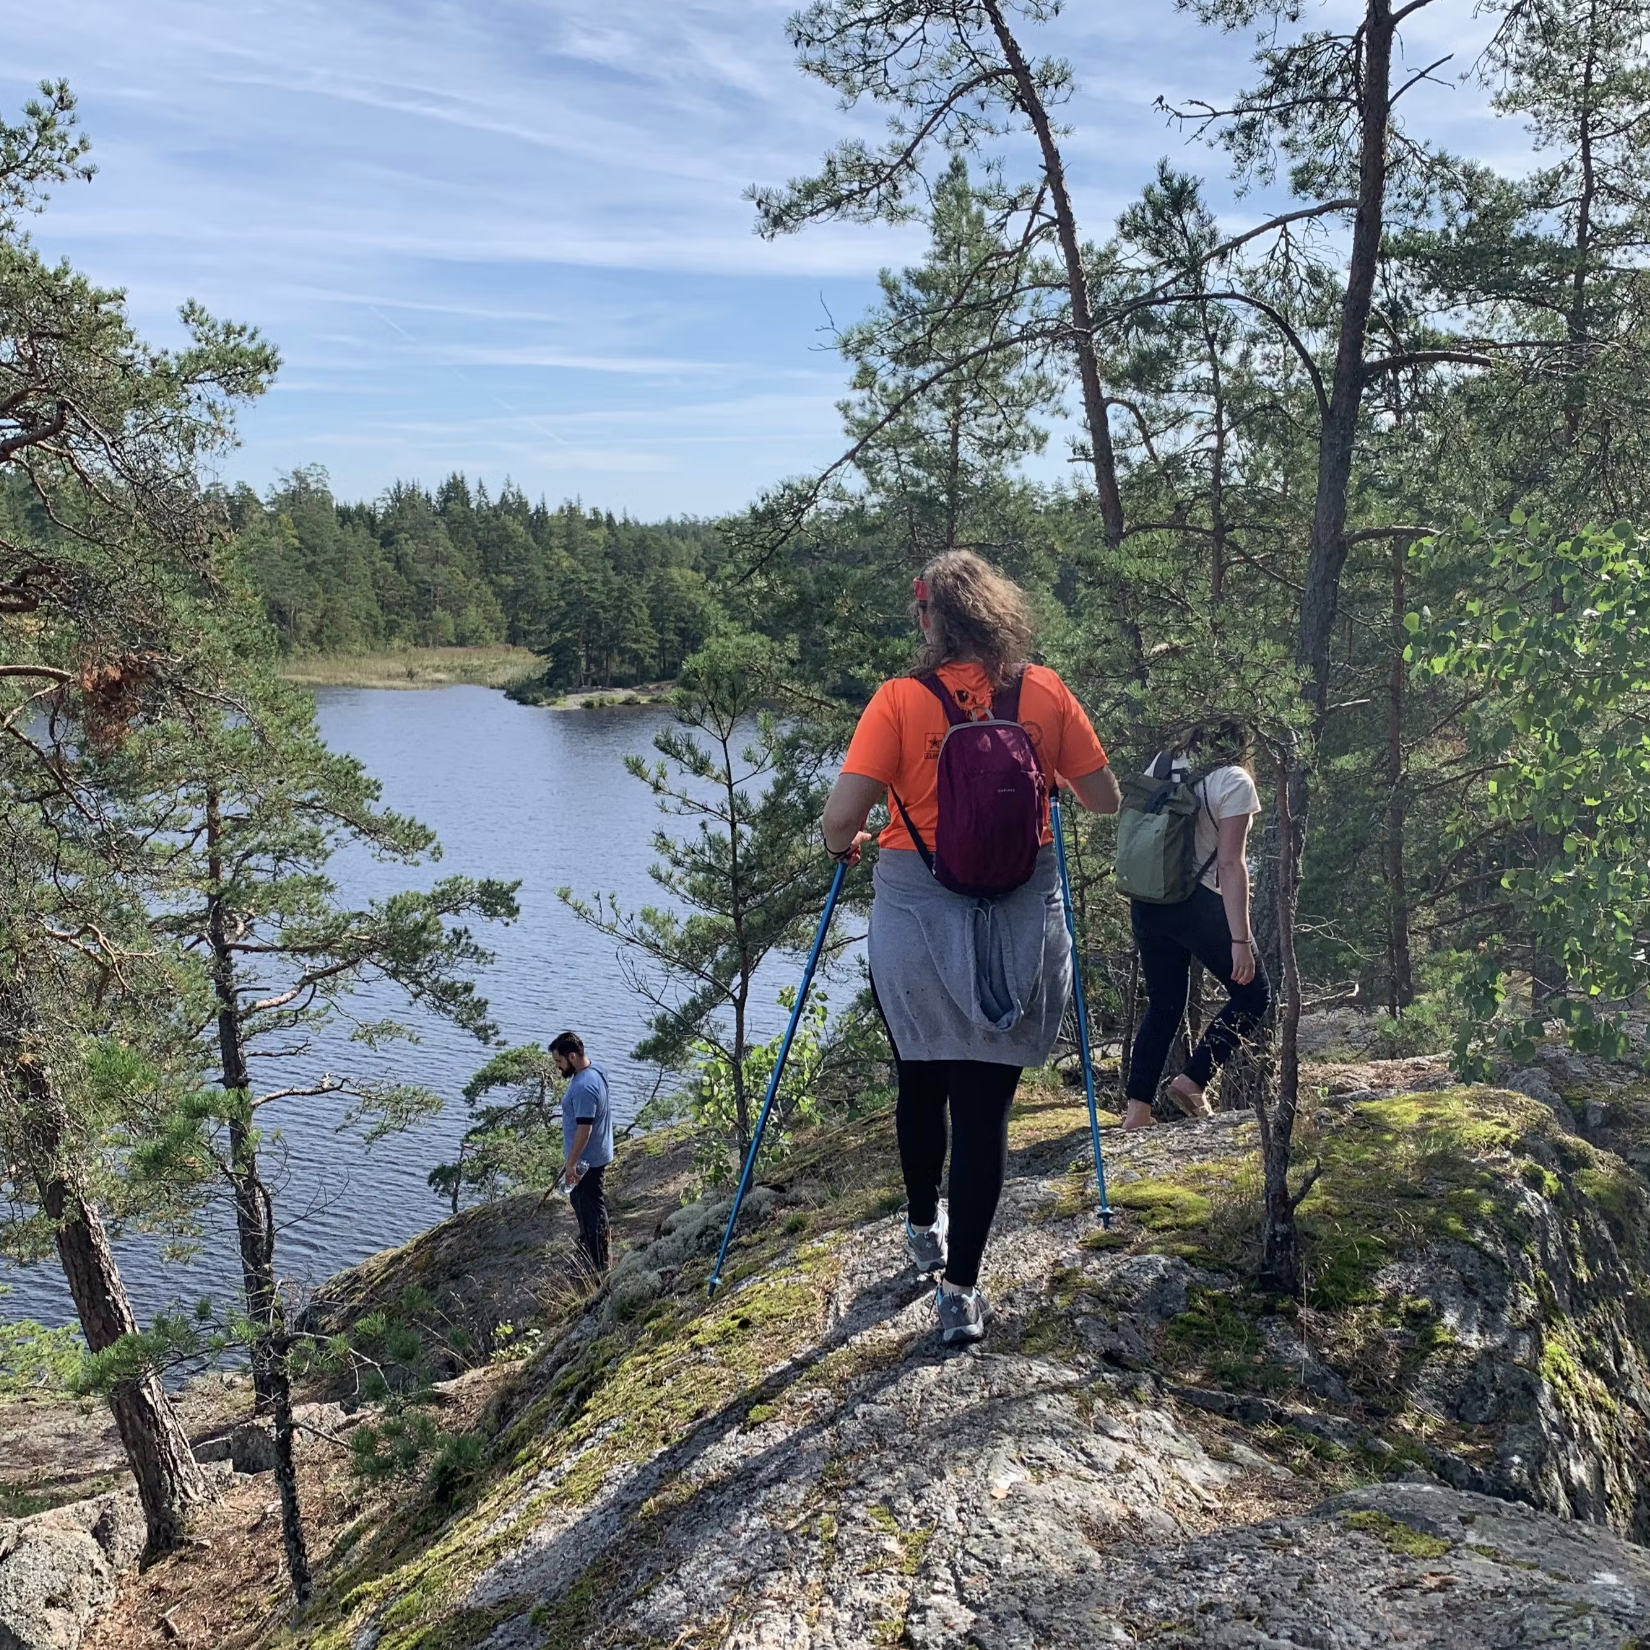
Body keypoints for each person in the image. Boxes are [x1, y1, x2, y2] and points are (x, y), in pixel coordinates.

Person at [821, 550, 1121, 1346]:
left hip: (917, 913)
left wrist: (847, 841)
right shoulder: (1046, 690)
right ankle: (962, 1294)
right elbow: (1104, 798)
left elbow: (837, 824)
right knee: (985, 1107)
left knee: (920, 1078)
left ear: (928, 619)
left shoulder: (898, 701)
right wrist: (1041, 774)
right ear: (1000, 613)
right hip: (1022, 911)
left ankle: (924, 1227)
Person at [1122, 721, 1271, 1130]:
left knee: (1164, 1004)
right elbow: (1230, 863)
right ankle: (1192, 1080)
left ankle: (1138, 1111)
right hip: (1197, 902)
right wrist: (1240, 938)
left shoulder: (1165, 762)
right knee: (1255, 995)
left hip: (1149, 898)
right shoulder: (1234, 781)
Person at [551, 1029, 614, 1274]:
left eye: (559, 1061)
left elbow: (584, 1129)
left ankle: (598, 1264)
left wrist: (572, 1163)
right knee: (579, 1200)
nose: (558, 1067)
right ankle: (589, 1247)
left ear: (573, 1056)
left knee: (591, 1206)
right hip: (593, 1154)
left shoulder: (584, 1087)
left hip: (588, 1159)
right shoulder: (596, 1070)